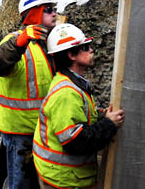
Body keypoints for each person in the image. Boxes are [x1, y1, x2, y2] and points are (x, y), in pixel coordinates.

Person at [33, 23, 125, 189]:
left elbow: (76, 116)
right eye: (86, 47)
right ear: (71, 54)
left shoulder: (71, 82)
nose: (91, 50)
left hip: (65, 174)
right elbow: (74, 141)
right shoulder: (67, 93)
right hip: (65, 179)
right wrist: (108, 124)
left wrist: (99, 115)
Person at [0, 0, 58, 189]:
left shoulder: (47, 45)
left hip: (43, 130)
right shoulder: (15, 42)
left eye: (55, 10)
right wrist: (20, 42)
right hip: (20, 133)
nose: (54, 14)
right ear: (33, 14)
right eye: (48, 10)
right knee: (21, 185)